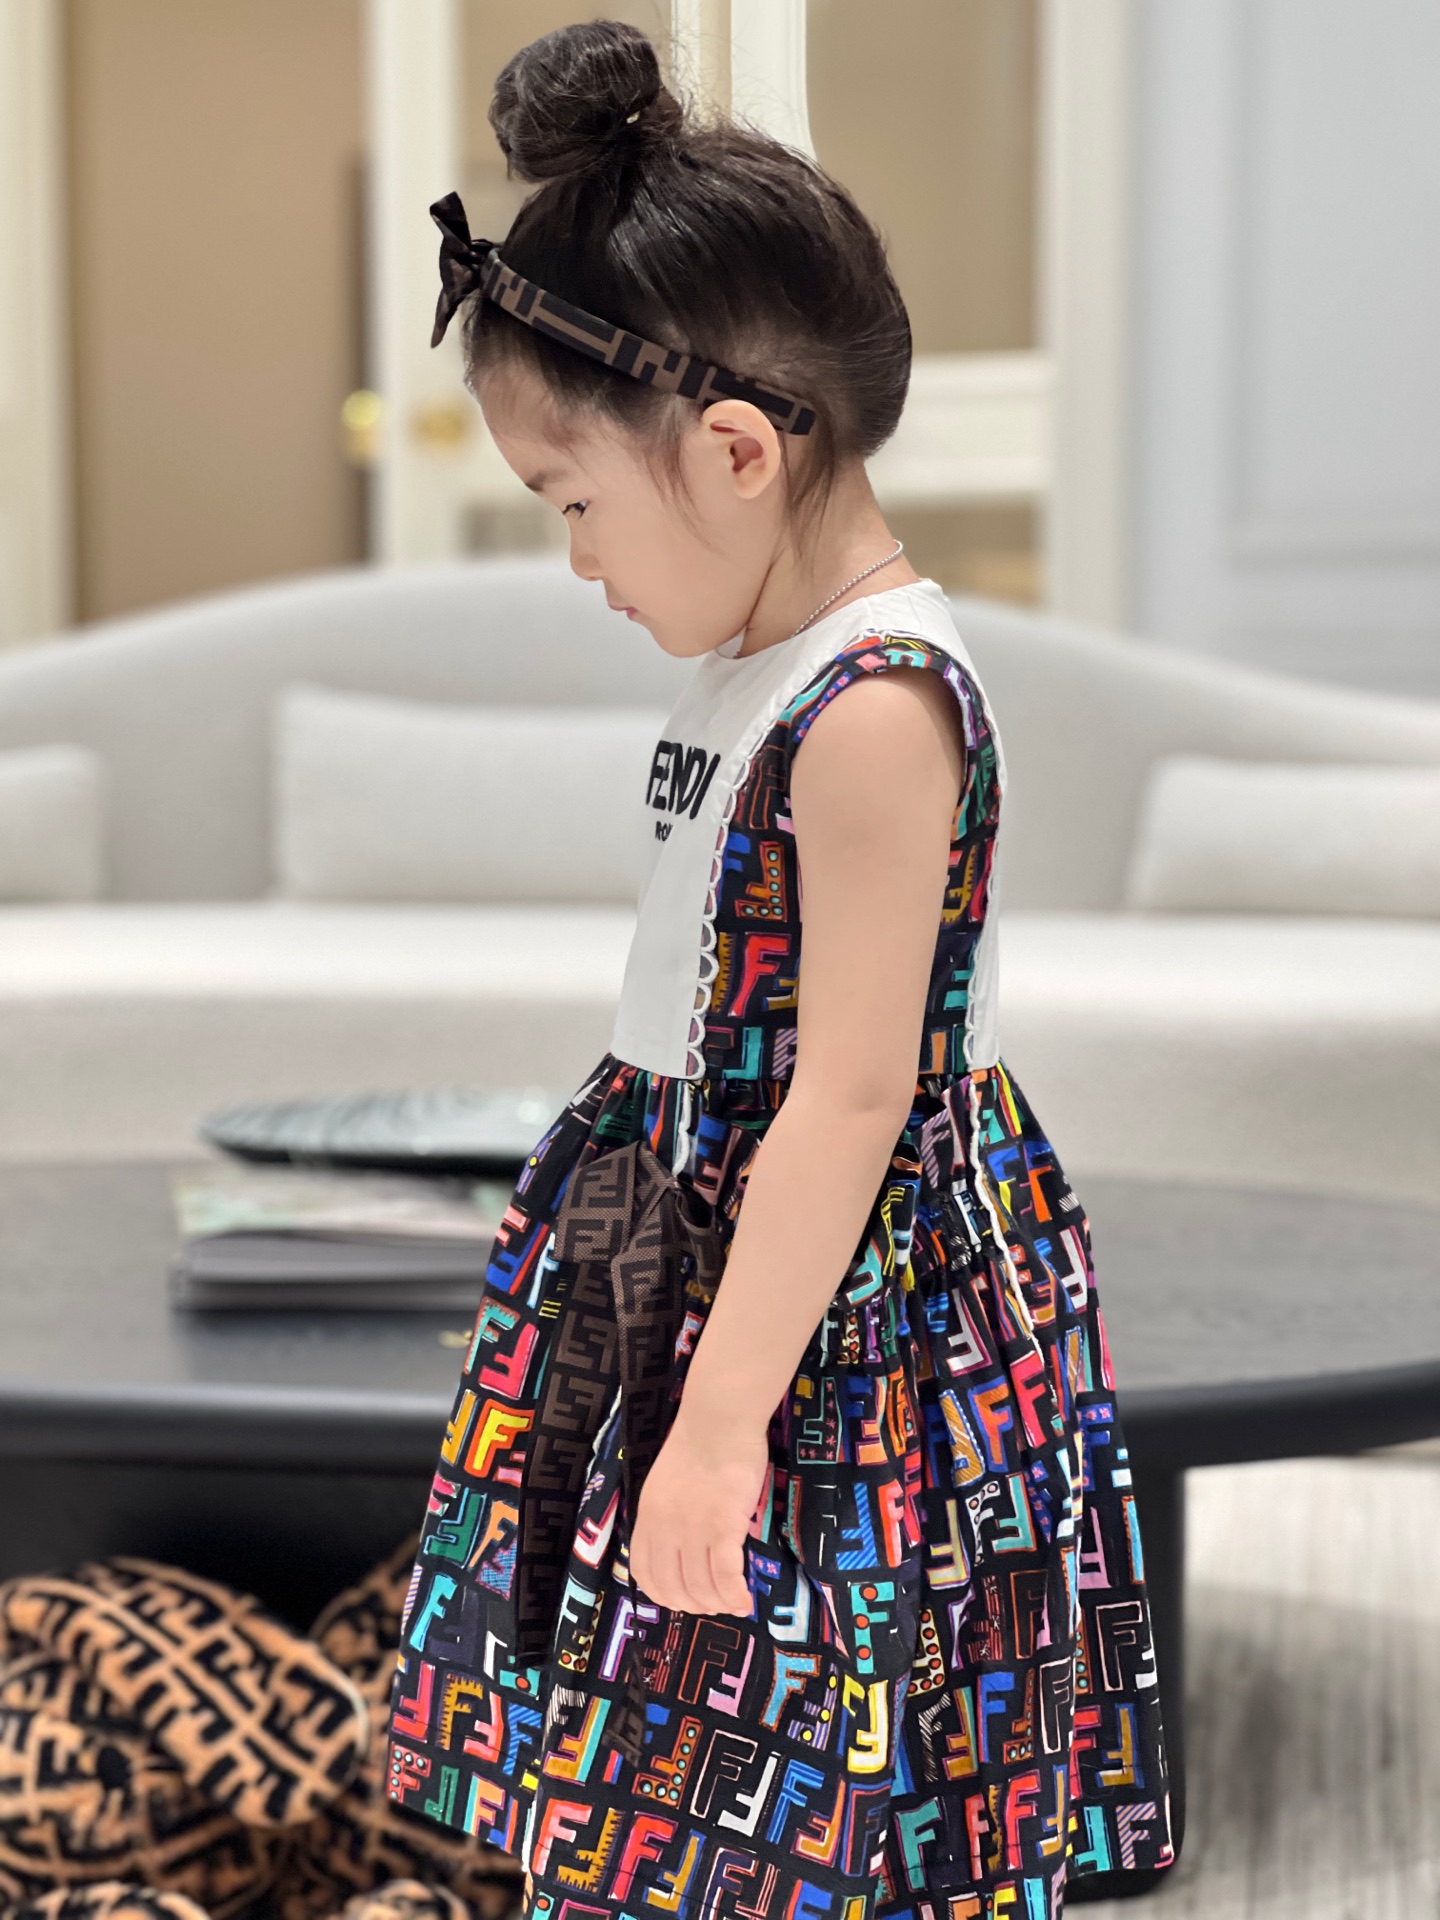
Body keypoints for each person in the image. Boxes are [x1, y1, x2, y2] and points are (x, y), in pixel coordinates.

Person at [386, 20, 1172, 1915]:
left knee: (787, 1728)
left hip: (818, 1311)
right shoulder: (765, 667)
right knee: (655, 1722)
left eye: (576, 503)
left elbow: (853, 1092)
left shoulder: (874, 708)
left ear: (736, 453)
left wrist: (723, 1420)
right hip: (704, 1241)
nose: (577, 560)